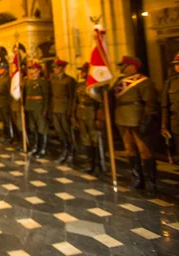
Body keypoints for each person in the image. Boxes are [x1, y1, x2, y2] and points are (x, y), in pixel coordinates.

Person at [113, 56, 158, 193]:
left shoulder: (144, 82)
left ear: (132, 66)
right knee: (129, 149)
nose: (121, 68)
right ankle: (137, 179)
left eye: (124, 65)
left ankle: (151, 181)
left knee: (144, 151)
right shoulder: (118, 82)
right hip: (122, 118)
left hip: (137, 118)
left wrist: (146, 121)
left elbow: (150, 103)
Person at [74, 62, 104, 175]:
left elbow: (100, 102)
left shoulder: (96, 85)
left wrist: (99, 117)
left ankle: (98, 162)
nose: (81, 72)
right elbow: (75, 100)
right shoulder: (80, 85)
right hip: (81, 113)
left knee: (94, 138)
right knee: (85, 138)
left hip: (92, 113)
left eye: (84, 70)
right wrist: (74, 115)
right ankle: (90, 163)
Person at [50, 59, 77, 165]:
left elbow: (72, 97)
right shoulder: (53, 80)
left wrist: (71, 111)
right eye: (54, 67)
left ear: (62, 68)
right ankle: (64, 150)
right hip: (55, 108)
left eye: (56, 67)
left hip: (65, 108)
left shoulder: (69, 80)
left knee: (67, 131)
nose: (55, 69)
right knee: (59, 131)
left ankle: (71, 152)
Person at [25, 63, 50, 159]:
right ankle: (35, 147)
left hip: (39, 107)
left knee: (41, 128)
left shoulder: (42, 82)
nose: (32, 71)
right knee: (33, 127)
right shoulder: (28, 82)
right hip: (30, 106)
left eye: (34, 69)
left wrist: (45, 109)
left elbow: (46, 96)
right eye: (31, 69)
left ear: (39, 71)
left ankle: (43, 149)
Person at [161, 53, 179, 157]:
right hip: (176, 123)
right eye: (176, 64)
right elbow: (165, 106)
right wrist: (164, 126)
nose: (178, 66)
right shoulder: (170, 82)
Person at [0, 63, 14, 143]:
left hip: (5, 103)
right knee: (1, 120)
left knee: (7, 120)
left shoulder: (8, 79)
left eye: (2, 69)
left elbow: (9, 92)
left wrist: (9, 103)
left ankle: (10, 135)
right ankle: (4, 134)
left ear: (6, 70)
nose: (0, 70)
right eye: (0, 68)